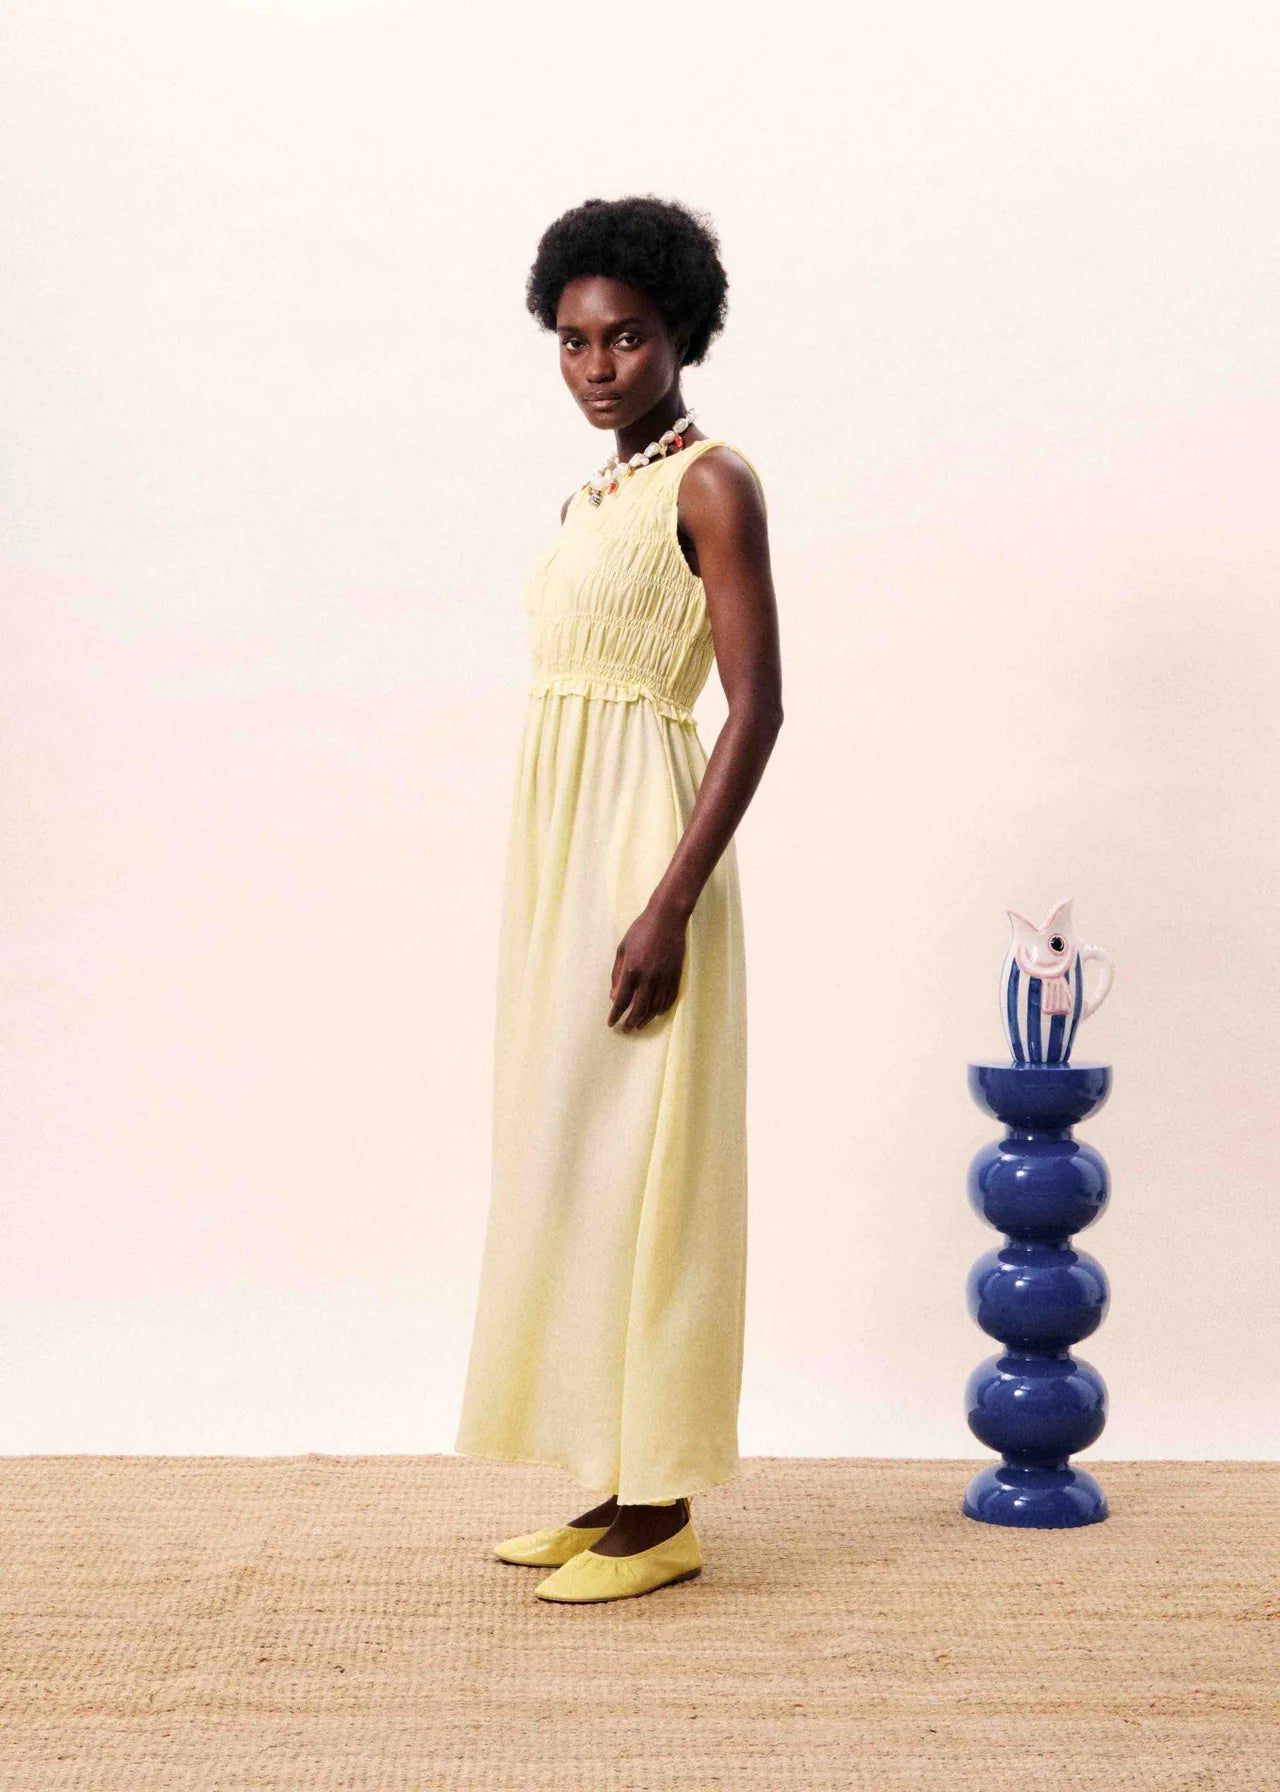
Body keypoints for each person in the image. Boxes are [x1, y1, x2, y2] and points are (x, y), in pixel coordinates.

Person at [454, 194, 783, 1603]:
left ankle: (664, 1516)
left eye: (629, 337)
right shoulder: (589, 498)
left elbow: (758, 707)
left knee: (649, 1161)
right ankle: (612, 1477)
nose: (598, 366)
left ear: (681, 333)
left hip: (646, 846)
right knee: (576, 1157)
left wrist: (668, 903)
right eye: (576, 341)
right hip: (561, 850)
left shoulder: (713, 484)